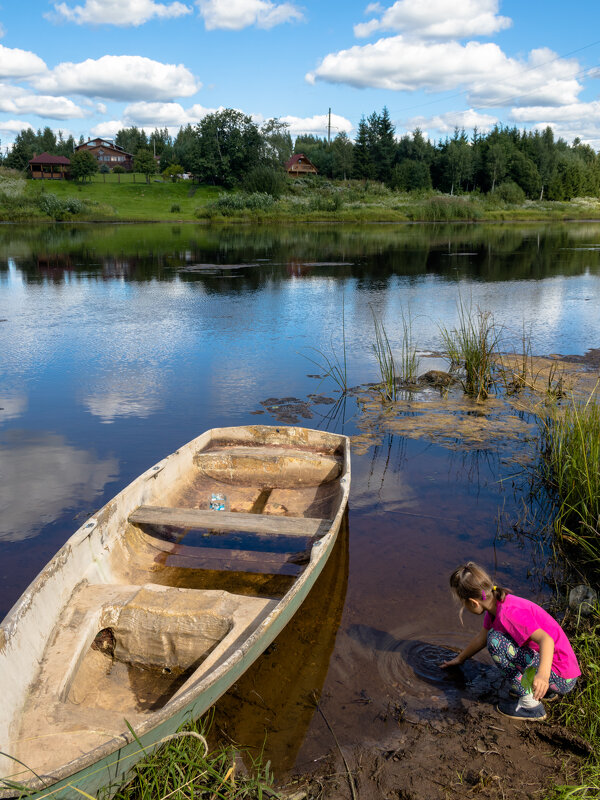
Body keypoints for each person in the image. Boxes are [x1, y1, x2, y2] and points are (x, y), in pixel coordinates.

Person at [440, 562, 580, 720]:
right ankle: (541, 690)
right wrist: (459, 659)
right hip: (560, 668)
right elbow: (481, 637)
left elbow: (547, 640)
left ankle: (530, 706)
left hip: (563, 677)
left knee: (495, 641)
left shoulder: (508, 613)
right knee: (492, 636)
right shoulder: (496, 604)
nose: (465, 608)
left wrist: (543, 676)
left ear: (474, 602)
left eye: (463, 604)